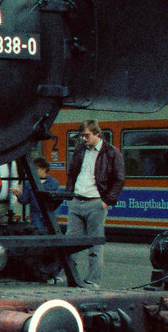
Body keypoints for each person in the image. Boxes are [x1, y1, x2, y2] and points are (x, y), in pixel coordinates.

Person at [64, 120, 125, 288]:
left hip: (96, 203)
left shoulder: (111, 152)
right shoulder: (79, 150)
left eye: (87, 135)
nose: (84, 139)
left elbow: (119, 179)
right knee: (70, 244)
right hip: (77, 200)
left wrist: (106, 202)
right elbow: (72, 173)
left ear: (97, 133)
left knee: (95, 245)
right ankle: (69, 277)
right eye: (82, 136)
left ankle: (93, 280)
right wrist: (70, 194)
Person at [19, 156, 63, 233]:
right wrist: (18, 195)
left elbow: (57, 200)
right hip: (35, 216)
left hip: (50, 214)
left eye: (36, 169)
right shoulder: (28, 183)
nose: (34, 172)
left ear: (44, 169)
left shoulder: (54, 183)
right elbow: (25, 200)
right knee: (38, 233)